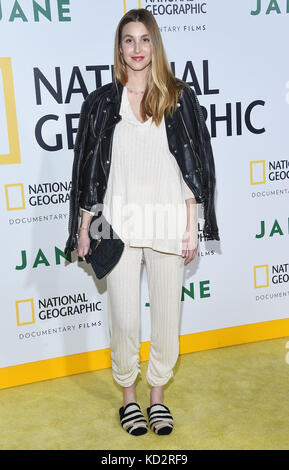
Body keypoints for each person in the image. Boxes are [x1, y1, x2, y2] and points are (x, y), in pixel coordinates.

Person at [65, 8, 219, 436]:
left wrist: (192, 222)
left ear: (156, 45)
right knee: (126, 320)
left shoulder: (178, 97)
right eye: (128, 40)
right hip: (116, 225)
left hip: (169, 220)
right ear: (119, 48)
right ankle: (129, 398)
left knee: (167, 321)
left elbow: (193, 165)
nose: (137, 48)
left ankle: (157, 398)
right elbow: (88, 170)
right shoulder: (100, 103)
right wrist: (83, 226)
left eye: (144, 39)